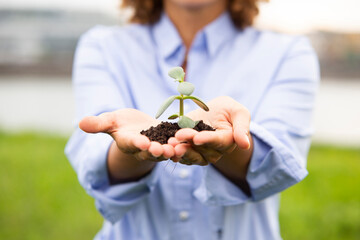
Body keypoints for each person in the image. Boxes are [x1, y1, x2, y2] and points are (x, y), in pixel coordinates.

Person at [65, 0, 320, 239]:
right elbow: (95, 165)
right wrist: (132, 148)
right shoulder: (103, 46)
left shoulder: (287, 53)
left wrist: (229, 141)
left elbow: (278, 164)